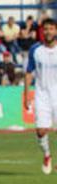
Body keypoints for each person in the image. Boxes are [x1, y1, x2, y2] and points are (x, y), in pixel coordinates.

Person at [24, 17, 57, 175]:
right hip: (41, 94)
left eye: (51, 28)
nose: (48, 31)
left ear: (55, 31)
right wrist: (26, 95)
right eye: (46, 29)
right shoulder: (35, 50)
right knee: (41, 131)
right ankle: (47, 155)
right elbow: (28, 73)